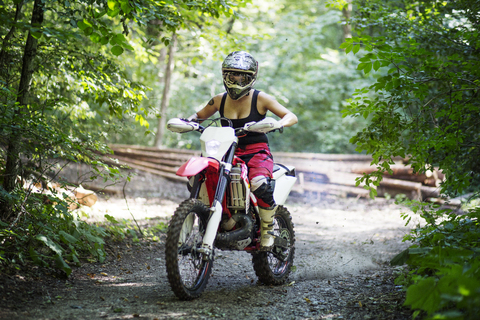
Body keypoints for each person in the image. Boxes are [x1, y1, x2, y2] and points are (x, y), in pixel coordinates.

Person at [186, 51, 298, 250]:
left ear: (251, 78)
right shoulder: (219, 100)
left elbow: (291, 116)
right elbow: (199, 115)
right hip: (226, 150)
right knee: (198, 177)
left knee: (259, 184)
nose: (237, 81)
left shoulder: (260, 99)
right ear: (225, 76)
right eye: (232, 75)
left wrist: (278, 123)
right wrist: (187, 121)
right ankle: (215, 219)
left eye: (242, 77)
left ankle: (267, 229)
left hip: (256, 151)